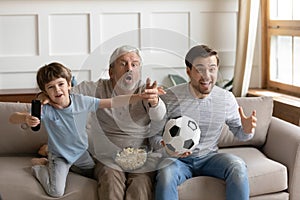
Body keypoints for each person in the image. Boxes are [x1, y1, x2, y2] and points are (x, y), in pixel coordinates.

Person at [9, 62, 162, 198]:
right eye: (51, 87)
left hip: (82, 154)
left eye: (60, 84)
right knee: (55, 191)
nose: (57, 90)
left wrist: (139, 97)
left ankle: (52, 162)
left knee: (101, 174)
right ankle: (40, 167)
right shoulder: (46, 110)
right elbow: (13, 117)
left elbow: (113, 102)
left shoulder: (81, 101)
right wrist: (25, 119)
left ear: (69, 85)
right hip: (60, 156)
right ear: (45, 91)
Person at [150, 44, 257, 200]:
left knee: (238, 166)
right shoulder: (171, 97)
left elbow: (241, 135)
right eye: (200, 69)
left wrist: (247, 130)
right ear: (188, 71)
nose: (207, 76)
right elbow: (153, 136)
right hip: (177, 160)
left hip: (209, 158)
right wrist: (167, 150)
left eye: (212, 69)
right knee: (166, 174)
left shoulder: (226, 99)